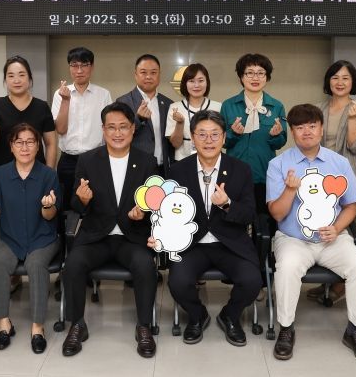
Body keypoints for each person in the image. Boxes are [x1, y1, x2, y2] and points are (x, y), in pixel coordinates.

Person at [266, 104, 356, 363]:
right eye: (300, 127)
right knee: (288, 267)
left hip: (333, 239)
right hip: (293, 239)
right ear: (292, 132)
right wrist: (290, 190)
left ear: (321, 128)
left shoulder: (339, 162)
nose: (307, 132)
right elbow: (277, 214)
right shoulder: (278, 164)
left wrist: (337, 228)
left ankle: (355, 330)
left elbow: (351, 206)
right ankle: (286, 329)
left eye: (312, 126)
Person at [154, 110, 261, 346]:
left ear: (224, 137)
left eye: (215, 134)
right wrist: (160, 235)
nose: (209, 140)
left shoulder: (240, 169)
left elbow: (249, 214)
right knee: (178, 282)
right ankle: (197, 315)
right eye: (202, 134)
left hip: (229, 242)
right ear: (193, 138)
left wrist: (228, 204)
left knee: (252, 280)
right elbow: (168, 213)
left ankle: (230, 315)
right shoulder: (178, 171)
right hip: (192, 244)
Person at [61, 102, 159, 358]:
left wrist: (143, 212)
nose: (117, 133)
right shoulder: (87, 160)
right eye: (111, 127)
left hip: (132, 236)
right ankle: (77, 325)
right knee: (73, 264)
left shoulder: (147, 162)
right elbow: (75, 205)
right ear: (103, 130)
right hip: (96, 236)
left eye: (123, 127)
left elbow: (156, 204)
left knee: (145, 266)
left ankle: (144, 326)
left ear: (133, 129)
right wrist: (82, 200)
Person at [0, 124, 60, 354]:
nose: (25, 147)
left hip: (43, 237)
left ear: (38, 146)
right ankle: (4, 325)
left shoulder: (48, 175)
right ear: (11, 147)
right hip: (10, 238)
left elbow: (51, 215)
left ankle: (37, 328)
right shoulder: (0, 175)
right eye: (19, 142)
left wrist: (47, 206)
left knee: (36, 264)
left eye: (30, 142)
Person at [0, 55, 57, 292]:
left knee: (38, 217)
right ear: (5, 80)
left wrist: (50, 173)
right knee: (6, 221)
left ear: (30, 79)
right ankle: (11, 272)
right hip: (5, 175)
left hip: (36, 175)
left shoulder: (41, 106)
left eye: (21, 75)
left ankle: (37, 265)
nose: (16, 80)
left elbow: (51, 143)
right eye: (11, 75)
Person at [307, 60, 356, 305]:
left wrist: (352, 119)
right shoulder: (318, 108)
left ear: (353, 82)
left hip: (346, 176)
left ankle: (340, 284)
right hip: (319, 177)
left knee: (343, 226)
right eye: (335, 77)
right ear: (328, 81)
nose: (340, 82)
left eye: (345, 78)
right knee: (321, 222)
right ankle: (326, 280)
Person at [220, 53, 287, 215]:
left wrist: (275, 136)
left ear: (267, 77)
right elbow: (222, 141)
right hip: (234, 173)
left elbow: (281, 142)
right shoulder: (228, 105)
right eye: (249, 73)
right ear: (241, 77)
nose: (255, 77)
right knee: (235, 216)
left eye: (260, 73)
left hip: (265, 173)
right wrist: (233, 133)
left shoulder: (276, 106)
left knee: (263, 220)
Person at [51, 46, 112, 213]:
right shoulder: (60, 94)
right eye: (74, 65)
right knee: (66, 208)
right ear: (69, 67)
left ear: (92, 67)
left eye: (84, 65)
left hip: (96, 159)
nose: (79, 70)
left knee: (96, 207)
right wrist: (65, 100)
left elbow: (109, 129)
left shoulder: (103, 94)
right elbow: (60, 129)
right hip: (68, 161)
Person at [117, 54, 173, 175]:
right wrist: (138, 119)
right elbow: (119, 135)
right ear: (135, 75)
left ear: (159, 75)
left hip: (162, 168)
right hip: (135, 168)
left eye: (153, 72)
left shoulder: (168, 103)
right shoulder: (123, 102)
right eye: (143, 72)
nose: (148, 77)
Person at [165, 63, 222, 161]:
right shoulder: (175, 108)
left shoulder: (218, 107)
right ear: (185, 83)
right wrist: (180, 123)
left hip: (211, 161)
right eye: (191, 81)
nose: (196, 85)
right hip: (182, 162)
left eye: (201, 80)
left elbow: (222, 140)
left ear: (207, 82)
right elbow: (175, 144)